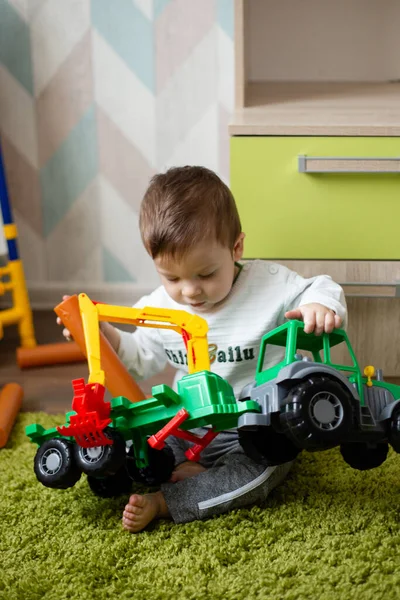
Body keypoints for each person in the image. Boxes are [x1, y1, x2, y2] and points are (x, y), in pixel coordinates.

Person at [58, 166, 347, 533]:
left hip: (253, 429)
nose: (190, 291)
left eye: (206, 274)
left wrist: (319, 306)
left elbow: (321, 286)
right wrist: (104, 335)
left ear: (236, 247)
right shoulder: (160, 306)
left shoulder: (270, 285)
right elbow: (140, 358)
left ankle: (170, 500)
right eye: (172, 278)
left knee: (260, 474)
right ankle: (173, 471)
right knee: (139, 446)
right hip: (185, 426)